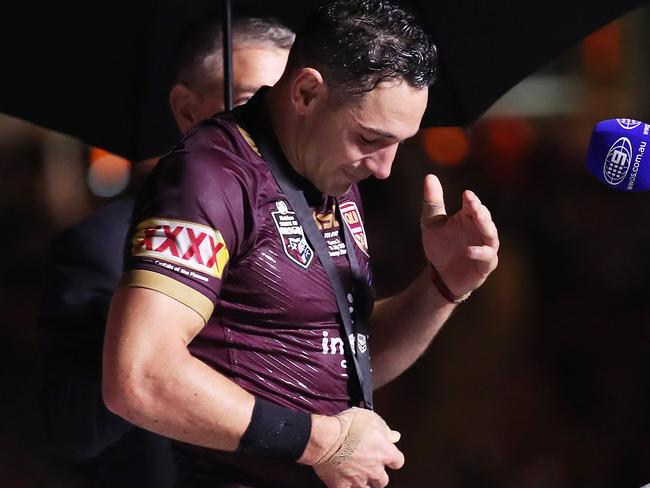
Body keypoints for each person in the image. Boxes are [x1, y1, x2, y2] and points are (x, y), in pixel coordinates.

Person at [102, 1, 500, 487]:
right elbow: (138, 376)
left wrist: (442, 285)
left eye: (400, 141)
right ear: (307, 92)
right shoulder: (211, 174)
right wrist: (323, 442)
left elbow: (345, 354)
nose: (384, 168)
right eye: (371, 137)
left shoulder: (324, 163)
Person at [38, 16, 294, 488]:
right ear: (186, 109)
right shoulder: (101, 246)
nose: (275, 128)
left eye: (292, 106)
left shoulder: (307, 244)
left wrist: (440, 289)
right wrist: (166, 321)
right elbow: (67, 430)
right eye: (250, 103)